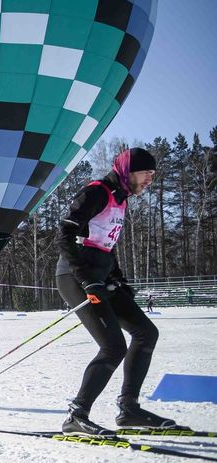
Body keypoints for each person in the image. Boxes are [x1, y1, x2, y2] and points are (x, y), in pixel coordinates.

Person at [56, 147, 173, 434]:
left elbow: (105, 244)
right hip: (75, 276)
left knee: (146, 332)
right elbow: (64, 234)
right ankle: (77, 414)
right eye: (146, 173)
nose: (150, 180)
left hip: (102, 276)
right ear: (128, 170)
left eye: (153, 174)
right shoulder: (97, 192)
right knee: (113, 346)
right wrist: (87, 279)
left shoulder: (121, 200)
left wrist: (117, 277)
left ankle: (129, 408)